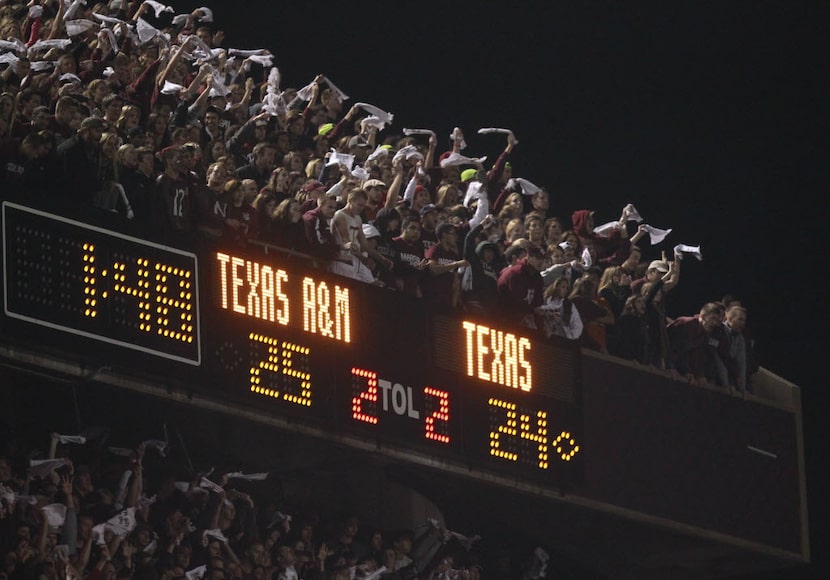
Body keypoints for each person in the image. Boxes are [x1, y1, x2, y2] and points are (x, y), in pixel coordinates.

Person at [330, 188, 392, 285]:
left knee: (377, 285)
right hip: (341, 259)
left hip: (354, 259)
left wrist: (382, 258)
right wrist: (364, 259)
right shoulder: (340, 216)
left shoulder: (357, 218)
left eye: (363, 206)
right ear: (350, 201)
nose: (361, 208)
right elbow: (346, 243)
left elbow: (365, 244)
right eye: (359, 205)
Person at [668, 302, 730, 386]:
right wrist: (671, 367)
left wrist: (699, 375)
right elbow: (671, 346)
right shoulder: (687, 324)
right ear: (703, 316)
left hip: (686, 373)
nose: (715, 323)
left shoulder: (708, 333)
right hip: (669, 367)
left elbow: (700, 356)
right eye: (713, 318)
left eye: (717, 320)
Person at [496, 245, 546, 328]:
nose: (540, 261)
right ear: (529, 257)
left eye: (543, 258)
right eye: (537, 258)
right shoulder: (515, 273)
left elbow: (538, 302)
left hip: (525, 315)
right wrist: (532, 311)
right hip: (505, 317)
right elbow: (515, 301)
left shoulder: (537, 277)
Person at [422, 223, 469, 310]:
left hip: (447, 301)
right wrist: (456, 264)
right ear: (444, 235)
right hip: (432, 299)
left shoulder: (453, 255)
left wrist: (454, 306)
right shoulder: (434, 250)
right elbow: (433, 270)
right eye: (453, 234)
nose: (455, 237)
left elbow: (455, 284)